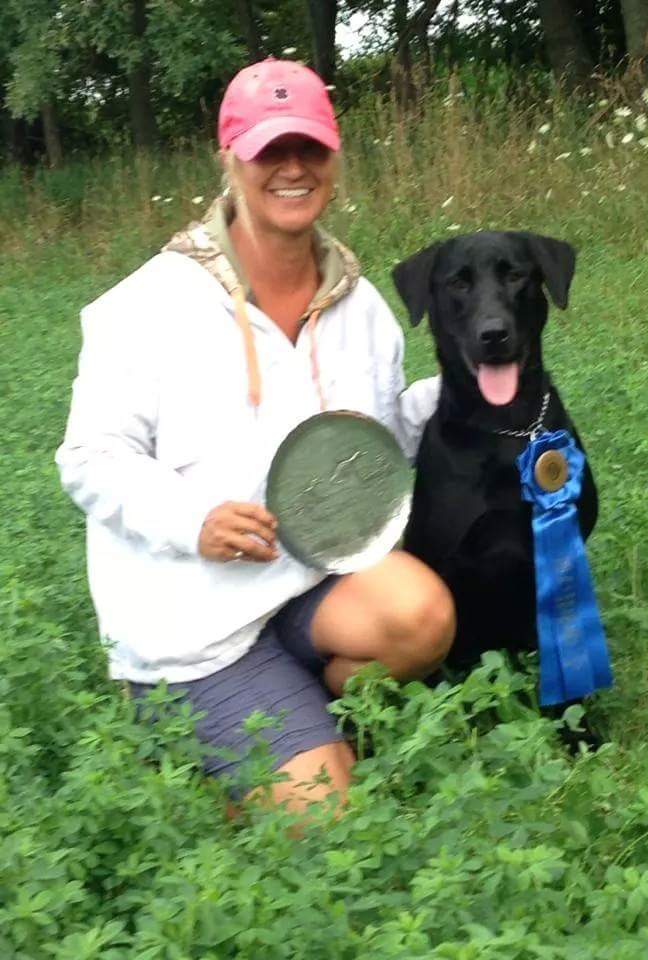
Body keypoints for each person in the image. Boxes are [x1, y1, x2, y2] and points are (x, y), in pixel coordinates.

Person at [56, 57, 451, 818]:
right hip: (194, 627)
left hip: (310, 586)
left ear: (335, 156)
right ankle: (192, 743)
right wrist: (192, 520)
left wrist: (466, 391)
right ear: (229, 159)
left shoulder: (361, 305)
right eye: (269, 149)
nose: (292, 168)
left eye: (310, 147)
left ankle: (302, 717)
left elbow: (379, 439)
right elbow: (89, 457)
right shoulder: (144, 307)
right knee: (327, 818)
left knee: (421, 615)